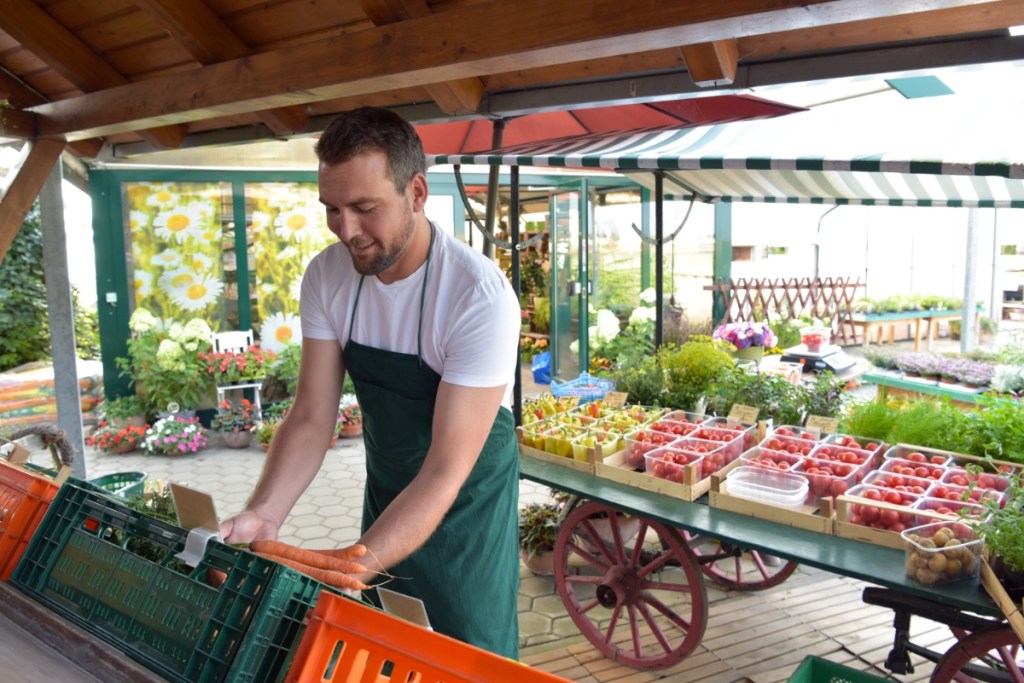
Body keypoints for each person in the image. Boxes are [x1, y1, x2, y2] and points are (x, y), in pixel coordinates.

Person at [221, 107, 522, 657]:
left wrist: (348, 564)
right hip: (389, 494)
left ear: (417, 192)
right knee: (386, 649)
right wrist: (263, 515)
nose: (347, 230)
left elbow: (445, 471)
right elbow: (313, 416)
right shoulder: (327, 275)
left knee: (468, 653)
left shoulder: (478, 297)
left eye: (365, 208)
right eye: (332, 209)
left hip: (466, 504)